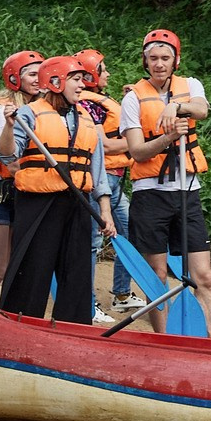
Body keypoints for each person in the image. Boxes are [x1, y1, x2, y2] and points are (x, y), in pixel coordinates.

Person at [0, 55, 119, 322]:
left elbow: (97, 170)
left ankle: (73, 326)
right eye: (75, 80)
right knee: (33, 269)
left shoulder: (86, 118)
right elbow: (7, 155)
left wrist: (105, 210)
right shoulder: (29, 114)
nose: (82, 86)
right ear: (55, 82)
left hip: (77, 202)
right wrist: (8, 127)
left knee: (77, 273)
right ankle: (21, 322)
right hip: (38, 203)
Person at [121, 27, 211, 334]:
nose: (159, 64)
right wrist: (168, 137)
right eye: (153, 58)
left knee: (204, 277)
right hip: (150, 194)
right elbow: (137, 151)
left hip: (187, 191)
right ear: (145, 61)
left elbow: (201, 110)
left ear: (175, 61)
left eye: (165, 58)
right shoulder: (133, 99)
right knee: (158, 274)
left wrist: (176, 106)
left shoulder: (190, 85)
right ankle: (164, 340)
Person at [71, 48, 140, 321]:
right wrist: (139, 141)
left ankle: (121, 294)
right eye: (103, 69)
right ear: (90, 75)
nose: (108, 73)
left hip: (115, 180)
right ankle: (87, 305)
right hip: (100, 181)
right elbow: (105, 145)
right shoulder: (87, 105)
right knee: (93, 241)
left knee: (130, 233)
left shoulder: (99, 101)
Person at [0, 52, 44, 307]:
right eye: (32, 74)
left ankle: (9, 319)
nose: (38, 79)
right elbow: (10, 161)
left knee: (17, 269)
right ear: (15, 78)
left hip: (23, 188)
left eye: (41, 73)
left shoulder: (40, 110)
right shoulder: (1, 110)